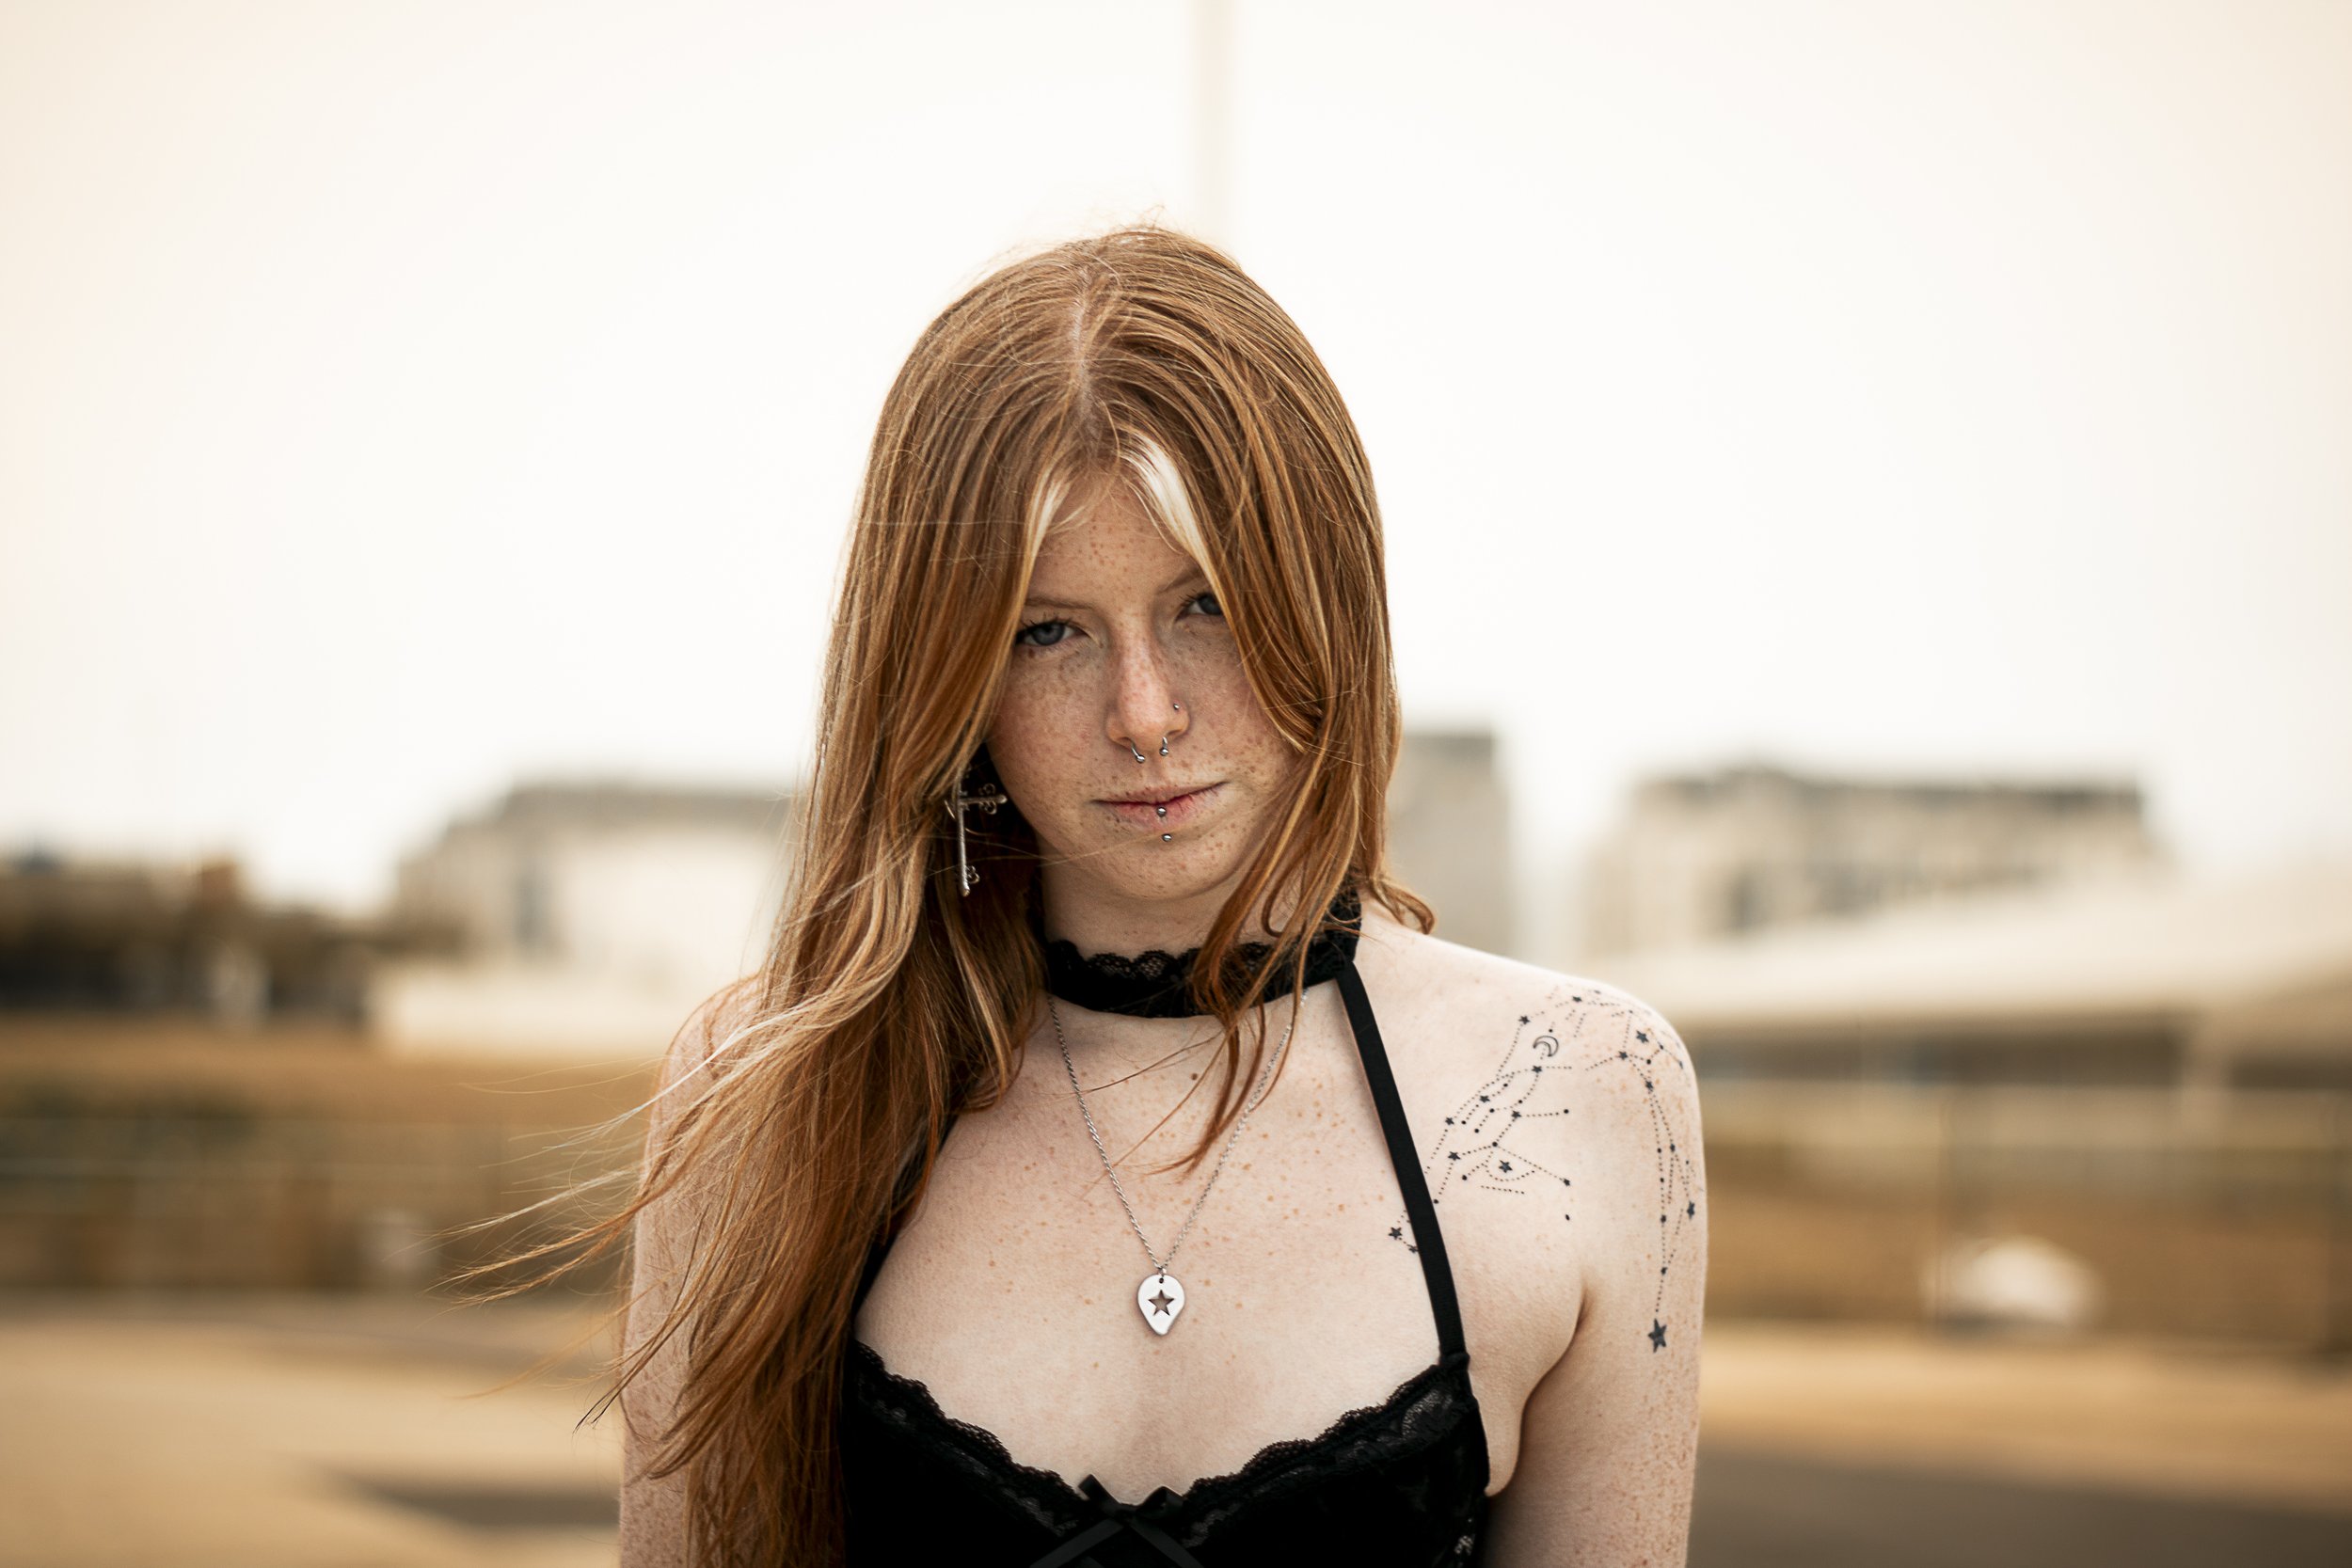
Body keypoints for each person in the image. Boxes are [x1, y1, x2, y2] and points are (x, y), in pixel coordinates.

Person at [612, 222, 1706, 1567]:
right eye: (1047, 630)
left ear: (1331, 603)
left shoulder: (1579, 1091)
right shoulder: (762, 1096)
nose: (1144, 714)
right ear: (945, 673)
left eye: (1209, 605)